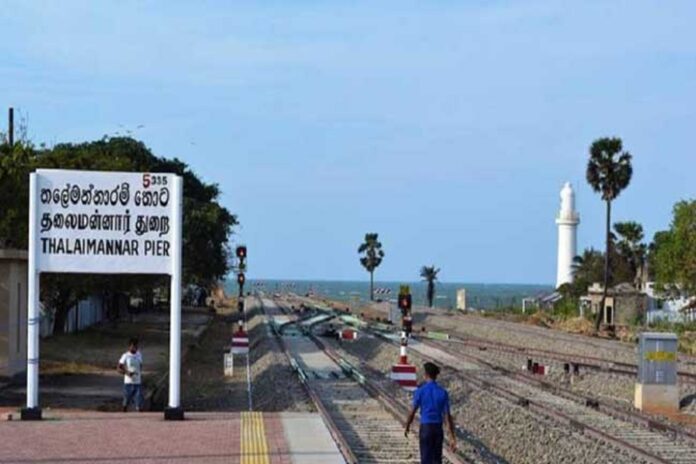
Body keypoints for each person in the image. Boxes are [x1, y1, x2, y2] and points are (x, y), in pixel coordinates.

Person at [404, 362, 456, 463]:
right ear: (436, 376)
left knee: (426, 459)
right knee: (437, 459)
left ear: (426, 375)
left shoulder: (420, 391)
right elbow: (447, 417)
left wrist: (407, 425)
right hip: (437, 429)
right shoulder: (443, 392)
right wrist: (452, 437)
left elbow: (412, 412)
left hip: (425, 428)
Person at [117, 337, 143, 412]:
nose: (135, 348)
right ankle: (124, 411)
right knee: (126, 400)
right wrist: (127, 372)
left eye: (136, 346)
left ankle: (139, 413)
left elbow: (140, 365)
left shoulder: (139, 355)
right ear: (129, 346)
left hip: (137, 381)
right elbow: (119, 368)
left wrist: (138, 372)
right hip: (128, 382)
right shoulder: (126, 356)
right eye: (133, 346)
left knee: (138, 400)